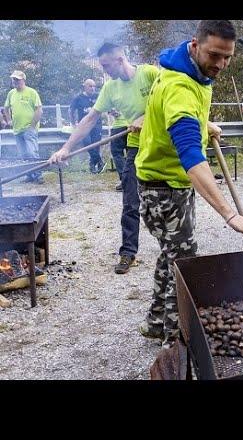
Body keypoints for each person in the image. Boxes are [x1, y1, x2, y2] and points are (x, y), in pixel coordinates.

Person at [135, 20, 243, 348]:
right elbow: (192, 158)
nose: (220, 64)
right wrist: (230, 215)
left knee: (171, 253)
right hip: (165, 188)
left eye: (227, 57)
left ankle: (155, 321)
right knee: (184, 260)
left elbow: (177, 109)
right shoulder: (181, 87)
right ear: (195, 45)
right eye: (214, 55)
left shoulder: (186, 68)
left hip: (160, 181)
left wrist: (204, 122)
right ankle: (176, 343)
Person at [49, 43, 160, 275]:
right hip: (136, 147)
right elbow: (90, 119)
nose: (104, 70)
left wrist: (146, 116)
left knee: (163, 200)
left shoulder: (150, 73)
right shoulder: (110, 88)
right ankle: (128, 252)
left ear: (120, 59)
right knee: (130, 202)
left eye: (106, 65)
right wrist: (66, 148)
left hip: (162, 146)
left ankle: (176, 251)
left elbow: (172, 100)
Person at [3, 70, 44, 183]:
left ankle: (38, 175)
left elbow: (39, 110)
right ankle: (30, 175)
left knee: (32, 152)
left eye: (17, 79)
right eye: (13, 79)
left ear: (23, 80)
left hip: (29, 128)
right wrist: (9, 120)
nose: (15, 81)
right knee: (23, 154)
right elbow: (6, 108)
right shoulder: (11, 93)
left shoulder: (31, 92)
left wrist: (32, 125)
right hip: (17, 129)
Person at [69, 79, 105, 174]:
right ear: (84, 86)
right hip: (84, 126)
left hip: (97, 124)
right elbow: (71, 111)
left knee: (96, 144)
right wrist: (73, 123)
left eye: (94, 86)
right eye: (90, 86)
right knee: (87, 143)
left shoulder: (98, 96)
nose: (92, 88)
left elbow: (106, 106)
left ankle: (93, 166)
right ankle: (99, 161)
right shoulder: (78, 98)